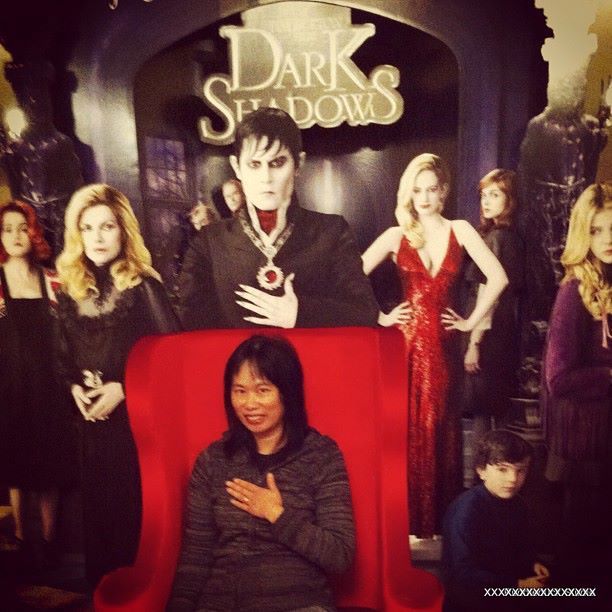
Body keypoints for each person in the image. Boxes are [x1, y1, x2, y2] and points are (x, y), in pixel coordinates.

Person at [362, 153, 508, 537]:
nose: (424, 198)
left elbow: (498, 277)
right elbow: (351, 275)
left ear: (443, 192)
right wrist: (380, 316)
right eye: (417, 190)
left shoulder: (461, 230)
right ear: (409, 194)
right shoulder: (397, 236)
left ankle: (439, 525)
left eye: (431, 190)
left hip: (443, 351)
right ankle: (406, 526)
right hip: (405, 349)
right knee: (406, 430)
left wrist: (470, 322)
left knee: (440, 428)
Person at [167, 334, 355, 611]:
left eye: (262, 390)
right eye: (240, 391)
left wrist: (276, 515)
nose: (249, 404)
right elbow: (195, 558)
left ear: (287, 393)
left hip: (298, 604)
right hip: (221, 604)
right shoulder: (212, 461)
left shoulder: (321, 456)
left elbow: (340, 555)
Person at [55, 183, 179, 586]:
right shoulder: (70, 292)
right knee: (100, 522)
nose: (97, 237)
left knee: (135, 520)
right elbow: (63, 361)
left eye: (107, 226)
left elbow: (174, 358)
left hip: (136, 429)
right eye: (87, 228)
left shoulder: (144, 287)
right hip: (91, 430)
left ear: (123, 230)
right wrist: (74, 389)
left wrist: (125, 389)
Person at [178, 107, 379, 329]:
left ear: (298, 164)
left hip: (311, 353)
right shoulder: (210, 242)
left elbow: (365, 312)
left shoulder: (331, 232)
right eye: (254, 164)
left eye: (277, 163)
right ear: (237, 167)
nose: (266, 178)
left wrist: (301, 312)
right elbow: (189, 322)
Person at [542, 181, 612, 589]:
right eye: (597, 230)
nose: (607, 239)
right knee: (581, 570)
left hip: (603, 446)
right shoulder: (573, 292)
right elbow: (558, 378)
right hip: (584, 451)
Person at [0, 201, 73, 564]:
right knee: (15, 461)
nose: (15, 235)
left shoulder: (52, 280)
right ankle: (19, 535)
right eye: (7, 229)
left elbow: (69, 332)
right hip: (9, 386)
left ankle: (48, 538)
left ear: (34, 233)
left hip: (50, 387)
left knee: (50, 464)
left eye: (21, 228)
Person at [442, 429, 549, 612]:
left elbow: (520, 548)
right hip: (471, 602)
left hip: (506, 595)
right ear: (481, 471)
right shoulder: (466, 510)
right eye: (502, 469)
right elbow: (462, 574)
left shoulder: (519, 505)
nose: (513, 479)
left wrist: (533, 563)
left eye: (521, 470)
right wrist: (518, 585)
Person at [461, 170, 524, 441]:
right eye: (484, 195)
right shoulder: (511, 237)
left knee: (483, 414)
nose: (486, 201)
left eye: (494, 195)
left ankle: (484, 466)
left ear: (509, 199)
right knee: (494, 412)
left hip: (488, 336)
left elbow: (490, 294)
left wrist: (474, 343)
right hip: (502, 333)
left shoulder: (498, 238)